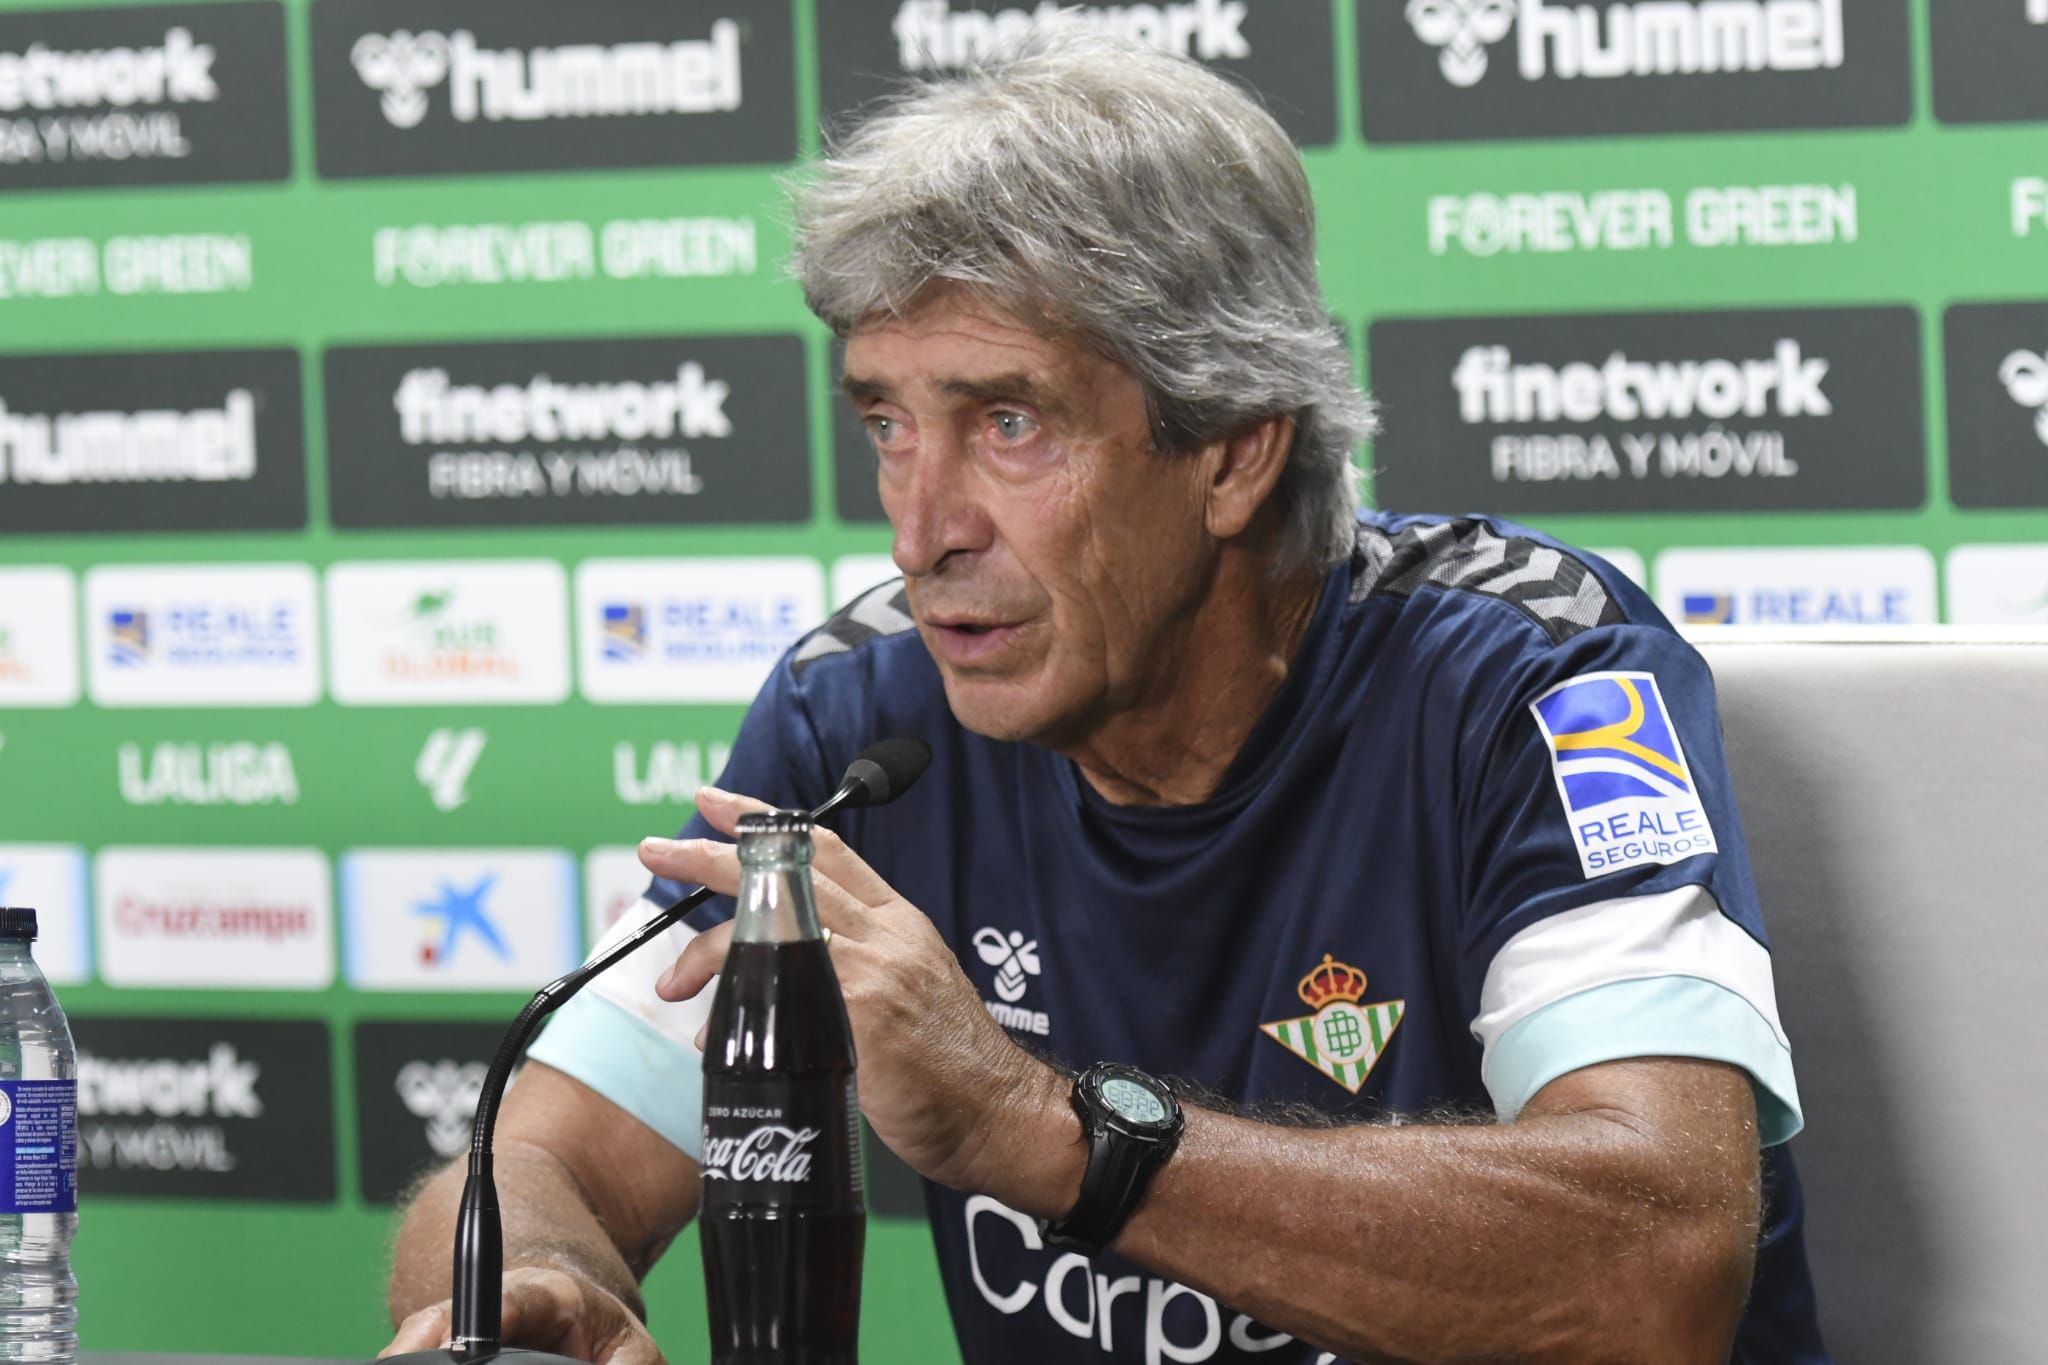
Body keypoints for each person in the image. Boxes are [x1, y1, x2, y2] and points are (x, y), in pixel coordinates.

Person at [384, 28, 1827, 1365]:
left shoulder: (1531, 675)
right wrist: (531, 1284)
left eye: (1008, 422)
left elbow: (1658, 1259)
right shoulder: (865, 716)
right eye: (889, 421)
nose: (919, 531)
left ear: (1234, 454)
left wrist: (1045, 1130)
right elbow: (544, 1152)